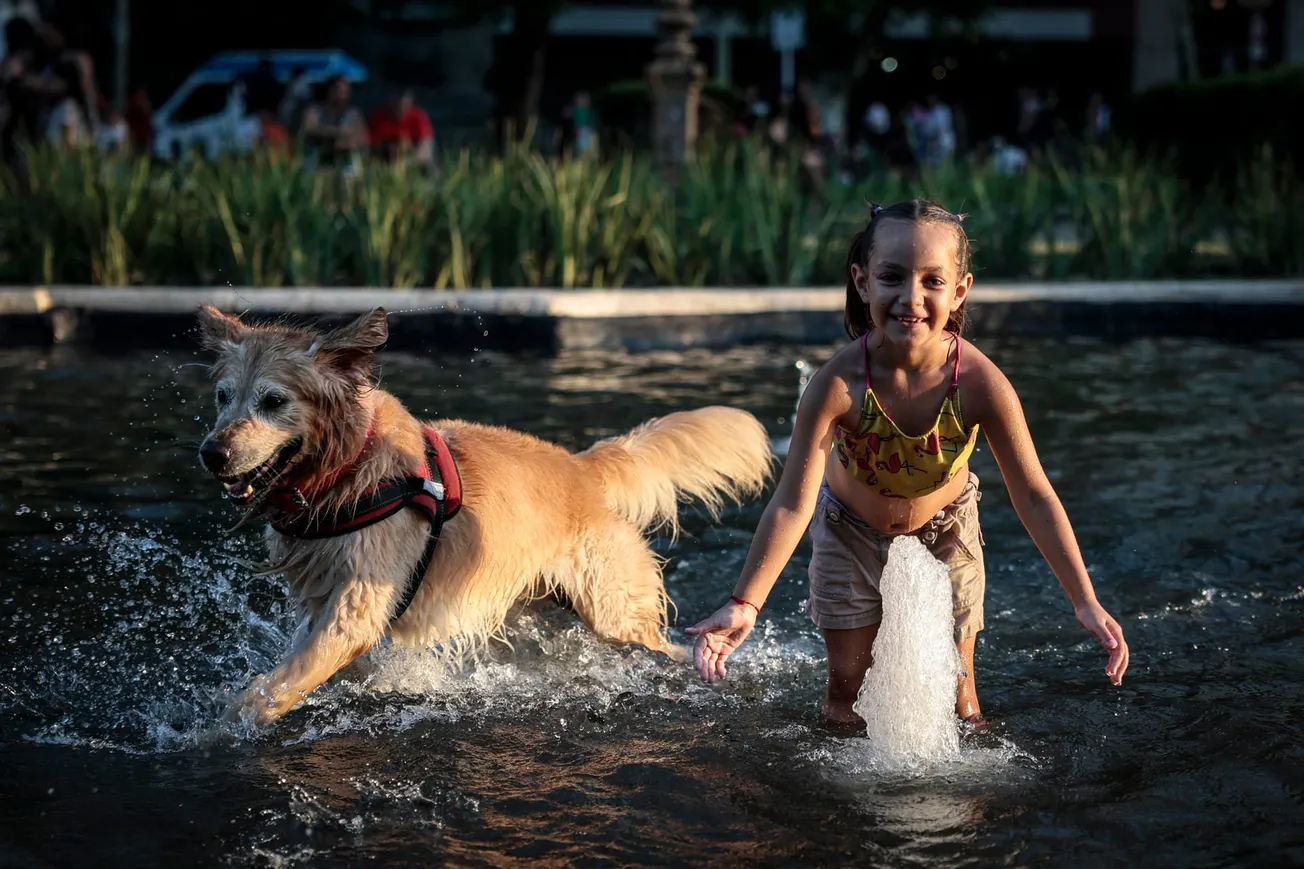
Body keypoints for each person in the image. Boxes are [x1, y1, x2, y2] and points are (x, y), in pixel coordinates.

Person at [686, 199, 1130, 730]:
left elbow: (1034, 495)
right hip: (849, 532)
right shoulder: (838, 386)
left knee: (961, 699)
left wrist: (1084, 600)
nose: (910, 298)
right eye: (892, 277)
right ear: (862, 281)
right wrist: (746, 603)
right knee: (846, 696)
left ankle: (968, 806)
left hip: (948, 531)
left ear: (961, 289)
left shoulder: (981, 385)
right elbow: (792, 502)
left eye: (932, 281)